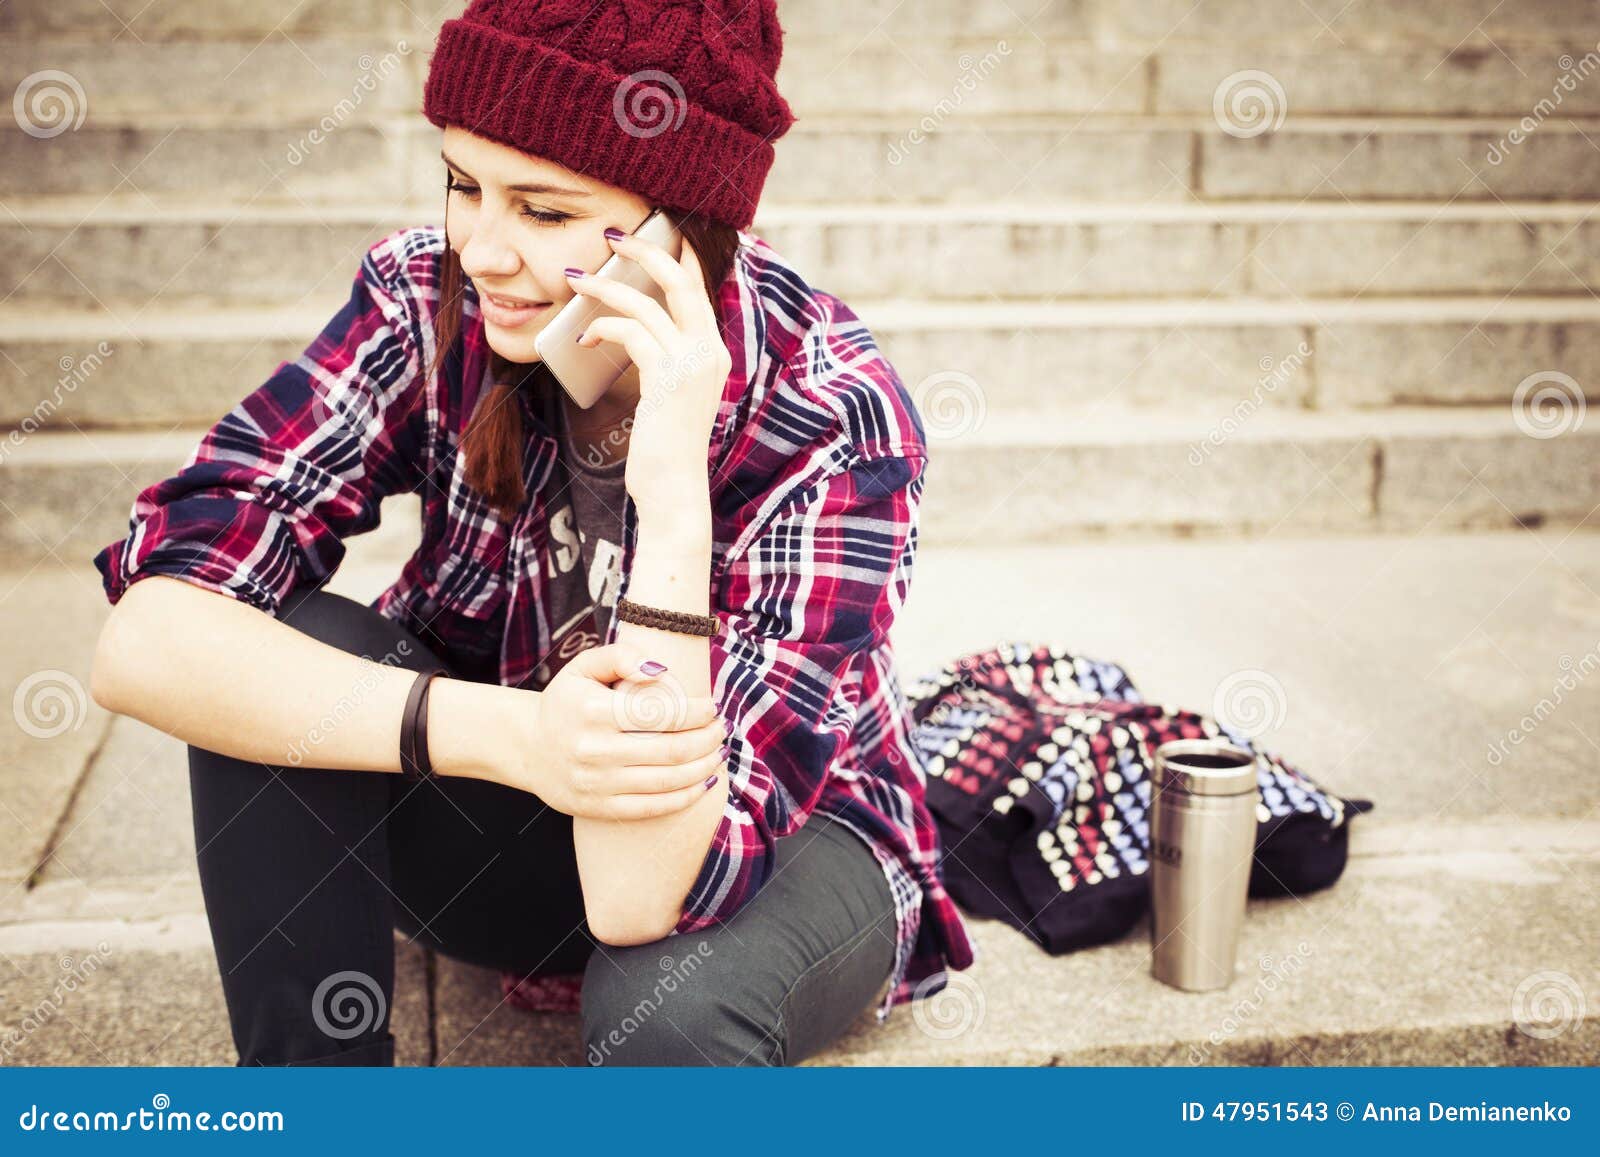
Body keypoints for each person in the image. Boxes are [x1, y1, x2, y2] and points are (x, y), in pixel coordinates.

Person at [87, 0, 974, 1067]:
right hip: (515, 804)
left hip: (774, 845)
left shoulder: (830, 407)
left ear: (677, 228)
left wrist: (673, 502)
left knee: (669, 1009)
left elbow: (647, 893)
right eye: (465, 185)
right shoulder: (428, 296)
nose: (484, 249)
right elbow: (149, 635)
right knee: (296, 655)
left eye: (545, 212)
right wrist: (519, 738)